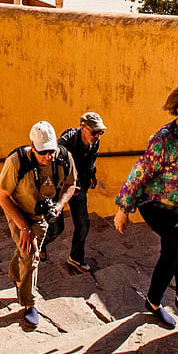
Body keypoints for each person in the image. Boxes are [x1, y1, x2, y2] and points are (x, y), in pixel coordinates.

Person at [114, 82, 178, 329]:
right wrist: (123, 210)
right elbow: (139, 174)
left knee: (170, 254)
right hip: (157, 206)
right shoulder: (164, 140)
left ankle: (153, 301)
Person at [0, 121, 76, 330]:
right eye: (43, 153)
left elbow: (70, 183)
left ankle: (16, 272)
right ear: (32, 147)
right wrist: (23, 227)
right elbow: (2, 195)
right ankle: (29, 302)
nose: (48, 157)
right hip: (18, 210)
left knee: (29, 250)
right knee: (31, 252)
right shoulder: (16, 163)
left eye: (51, 151)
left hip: (42, 213)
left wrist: (59, 205)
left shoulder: (63, 158)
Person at [44, 111, 105, 273]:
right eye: (94, 132)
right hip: (60, 189)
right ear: (83, 128)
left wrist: (92, 174)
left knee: (84, 223)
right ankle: (39, 245)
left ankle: (76, 258)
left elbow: (91, 160)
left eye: (100, 132)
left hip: (79, 187)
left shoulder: (95, 142)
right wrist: (64, 183)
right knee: (57, 227)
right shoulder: (65, 142)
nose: (97, 136)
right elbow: (50, 163)